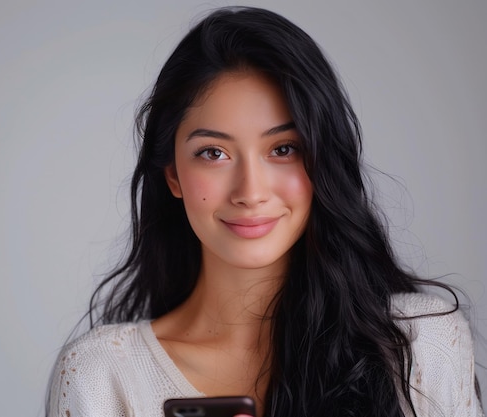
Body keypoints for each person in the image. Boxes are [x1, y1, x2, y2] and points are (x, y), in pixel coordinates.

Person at [46, 6, 483, 417]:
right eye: (213, 153)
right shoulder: (102, 374)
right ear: (173, 175)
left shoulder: (419, 344)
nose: (250, 192)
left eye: (283, 149)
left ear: (323, 161)